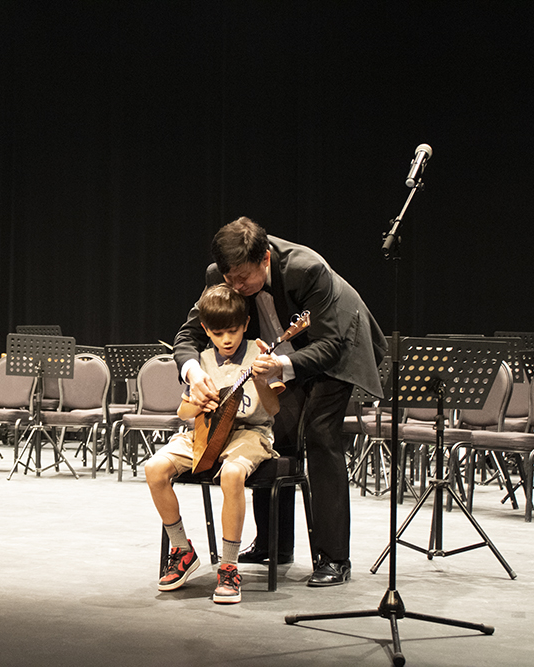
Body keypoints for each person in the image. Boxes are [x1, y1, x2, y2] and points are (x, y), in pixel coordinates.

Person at [174, 217, 387, 587]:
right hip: (283, 353)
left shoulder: (307, 269)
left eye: (243, 279)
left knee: (320, 435)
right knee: (275, 434)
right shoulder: (221, 275)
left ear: (265, 259)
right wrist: (193, 372)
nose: (236, 288)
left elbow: (330, 343)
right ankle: (274, 544)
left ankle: (334, 558)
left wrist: (283, 366)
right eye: (229, 279)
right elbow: (188, 334)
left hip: (338, 348)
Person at [146, 284, 283, 604]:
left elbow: (273, 409)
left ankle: (229, 566)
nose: (226, 339)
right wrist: (198, 401)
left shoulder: (260, 354)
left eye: (233, 331)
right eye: (218, 333)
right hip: (205, 434)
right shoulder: (202, 361)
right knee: (154, 469)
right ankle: (182, 549)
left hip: (250, 433)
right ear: (206, 330)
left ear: (246, 324)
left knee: (232, 475)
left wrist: (262, 380)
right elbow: (183, 413)